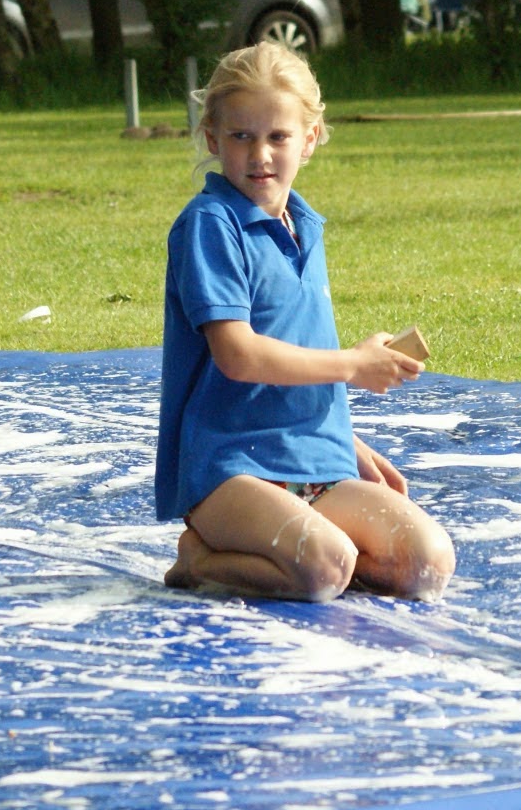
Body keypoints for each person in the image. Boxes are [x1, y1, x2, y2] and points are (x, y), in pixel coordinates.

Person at [156, 42, 456, 602]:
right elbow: (238, 355)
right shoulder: (210, 225)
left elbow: (301, 344)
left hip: (312, 457)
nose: (259, 154)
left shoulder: (306, 226)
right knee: (324, 569)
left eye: (277, 136)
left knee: (427, 565)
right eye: (242, 136)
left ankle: (284, 550)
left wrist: (345, 438)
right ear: (212, 139)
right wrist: (354, 367)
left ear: (310, 139)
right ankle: (201, 558)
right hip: (230, 468)